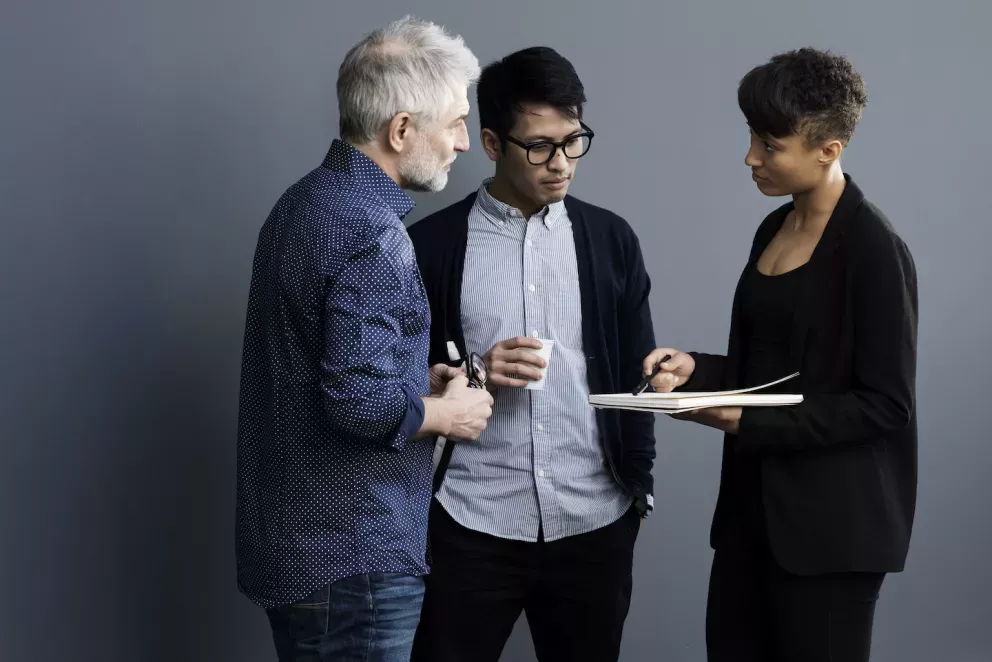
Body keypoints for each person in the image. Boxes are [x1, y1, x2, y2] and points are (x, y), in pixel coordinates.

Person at [643, 48, 918, 662]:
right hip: (750, 516)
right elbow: (776, 370)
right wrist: (698, 369)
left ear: (829, 149)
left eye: (770, 145)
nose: (751, 157)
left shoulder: (874, 249)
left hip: (831, 536)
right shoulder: (773, 227)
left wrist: (747, 421)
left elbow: (884, 405)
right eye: (752, 137)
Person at [234, 16, 493, 662]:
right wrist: (449, 415)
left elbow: (316, 367)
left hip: (297, 551)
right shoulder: (374, 233)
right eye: (455, 123)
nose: (463, 143)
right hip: (355, 560)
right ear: (401, 130)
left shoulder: (300, 204)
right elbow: (357, 403)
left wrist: (416, 381)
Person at [408, 46, 657, 662]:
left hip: (593, 521)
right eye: (540, 146)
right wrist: (477, 372)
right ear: (492, 143)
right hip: (470, 520)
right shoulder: (429, 247)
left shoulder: (611, 240)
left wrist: (638, 489)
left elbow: (638, 372)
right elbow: (394, 387)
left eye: (573, 141)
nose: (561, 163)